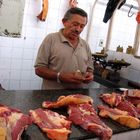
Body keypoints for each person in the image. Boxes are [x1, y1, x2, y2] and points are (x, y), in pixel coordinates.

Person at [34, 7, 94, 90]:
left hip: (78, 97)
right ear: (64, 22)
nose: (78, 29)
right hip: (52, 96)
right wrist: (59, 76)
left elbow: (89, 70)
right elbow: (39, 69)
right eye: (75, 24)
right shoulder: (51, 39)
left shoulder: (85, 44)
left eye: (82, 26)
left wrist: (89, 76)